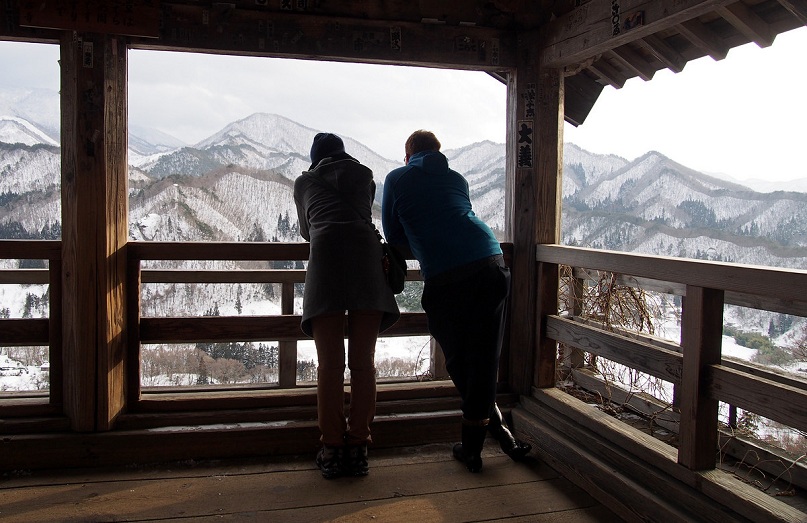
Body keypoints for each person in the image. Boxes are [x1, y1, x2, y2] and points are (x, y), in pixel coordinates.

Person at [381, 130, 531, 473]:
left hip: (447, 275)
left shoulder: (397, 178)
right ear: (438, 152)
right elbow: (458, 213)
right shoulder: (457, 178)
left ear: (408, 156)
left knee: (461, 361)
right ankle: (499, 437)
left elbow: (394, 235)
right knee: (483, 359)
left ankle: (476, 448)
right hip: (491, 262)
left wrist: (423, 239)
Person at [294, 133, 400, 479]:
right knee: (362, 364)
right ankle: (358, 446)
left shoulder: (305, 182)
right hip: (367, 267)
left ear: (315, 158)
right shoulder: (365, 174)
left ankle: (332, 447)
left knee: (330, 366)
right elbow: (365, 213)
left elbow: (306, 231)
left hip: (325, 266)